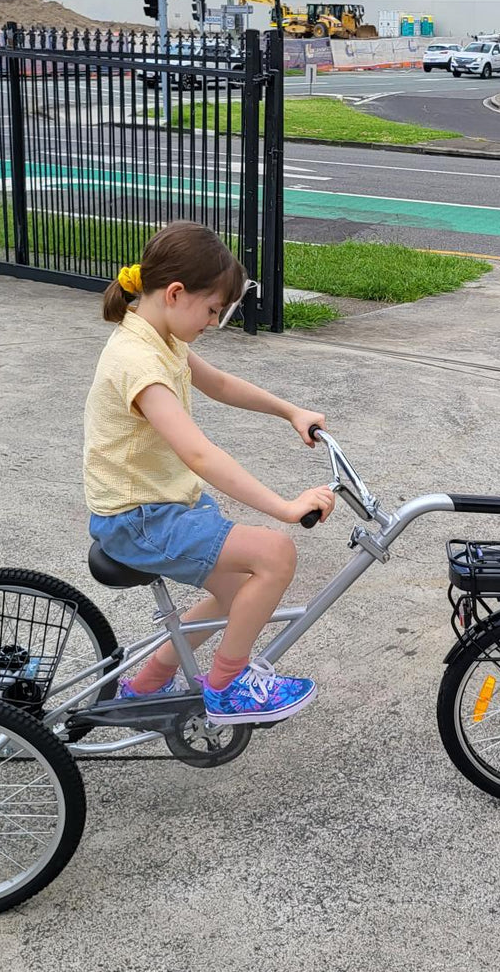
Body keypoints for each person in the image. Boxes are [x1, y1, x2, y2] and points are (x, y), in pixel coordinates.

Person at [84, 221, 336, 726]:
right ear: (176, 293)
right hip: (140, 518)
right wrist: (285, 508)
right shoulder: (139, 361)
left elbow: (219, 383)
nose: (213, 321)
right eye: (213, 311)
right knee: (276, 552)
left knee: (234, 591)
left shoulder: (159, 335)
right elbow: (199, 455)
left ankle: (145, 686)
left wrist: (290, 411)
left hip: (163, 504)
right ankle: (226, 686)